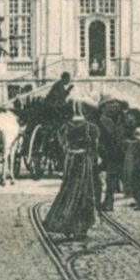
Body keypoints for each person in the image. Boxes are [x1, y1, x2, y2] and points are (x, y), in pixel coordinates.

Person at [45, 103, 101, 240]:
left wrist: (67, 150)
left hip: (70, 160)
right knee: (85, 190)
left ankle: (64, 223)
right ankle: (81, 227)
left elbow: (60, 143)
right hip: (83, 161)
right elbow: (94, 146)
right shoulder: (91, 127)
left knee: (67, 189)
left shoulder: (64, 127)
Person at [96, 99, 127, 212]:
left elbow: (101, 139)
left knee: (111, 178)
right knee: (115, 177)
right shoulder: (123, 118)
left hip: (111, 153)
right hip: (120, 152)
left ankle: (108, 202)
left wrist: (102, 153)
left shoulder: (102, 119)